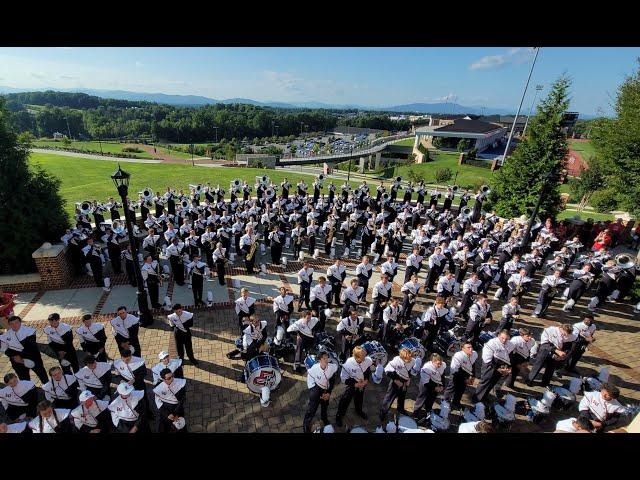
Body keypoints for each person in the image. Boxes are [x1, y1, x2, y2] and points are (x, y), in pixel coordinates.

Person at [335, 346, 382, 426]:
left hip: (362, 383)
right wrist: (355, 384)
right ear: (357, 357)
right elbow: (343, 379)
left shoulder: (366, 360)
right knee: (345, 400)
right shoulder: (348, 364)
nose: (366, 355)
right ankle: (339, 416)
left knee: (359, 398)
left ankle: (359, 411)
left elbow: (367, 369)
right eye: (363, 354)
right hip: (352, 384)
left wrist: (366, 380)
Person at [0, 316, 48, 383]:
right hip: (16, 361)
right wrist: (14, 356)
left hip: (33, 357)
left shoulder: (29, 331)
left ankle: (49, 389)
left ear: (20, 322)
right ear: (9, 325)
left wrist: (21, 358)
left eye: (16, 322)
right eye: (12, 323)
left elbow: (31, 348)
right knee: (24, 380)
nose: (14, 325)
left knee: (43, 376)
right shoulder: (6, 335)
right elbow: (4, 349)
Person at [472, 330, 513, 403]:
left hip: (500, 365)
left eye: (506, 339)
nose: (504, 340)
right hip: (490, 365)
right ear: (498, 336)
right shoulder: (492, 343)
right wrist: (498, 369)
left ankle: (483, 396)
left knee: (493, 382)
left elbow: (509, 356)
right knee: (485, 381)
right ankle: (476, 399)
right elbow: (487, 358)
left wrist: (508, 367)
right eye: (502, 338)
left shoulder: (510, 344)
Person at [303, 351, 338, 433]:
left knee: (325, 405)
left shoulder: (332, 367)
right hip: (316, 389)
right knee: (312, 408)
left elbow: (332, 380)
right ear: (319, 360)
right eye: (324, 358)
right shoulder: (314, 368)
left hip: (325, 389)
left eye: (327, 358)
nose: (326, 360)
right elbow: (310, 379)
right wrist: (314, 392)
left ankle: (324, 419)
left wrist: (329, 392)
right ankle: (306, 424)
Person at [379, 348, 415, 424]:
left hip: (404, 381)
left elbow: (409, 370)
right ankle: (383, 413)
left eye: (410, 358)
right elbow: (387, 371)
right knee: (389, 398)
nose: (409, 360)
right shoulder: (396, 361)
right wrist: (396, 380)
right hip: (396, 380)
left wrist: (409, 379)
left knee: (402, 396)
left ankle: (400, 409)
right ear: (402, 357)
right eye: (407, 359)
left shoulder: (412, 361)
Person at [443, 342, 478, 411]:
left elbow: (473, 364)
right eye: (468, 348)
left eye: (471, 347)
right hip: (456, 373)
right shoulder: (458, 356)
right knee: (451, 388)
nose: (471, 349)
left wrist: (473, 376)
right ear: (462, 349)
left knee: (461, 389)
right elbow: (455, 370)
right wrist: (465, 379)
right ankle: (445, 403)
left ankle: (456, 402)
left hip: (466, 372)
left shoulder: (474, 354)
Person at [413, 353, 446, 422]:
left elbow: (442, 376)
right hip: (426, 384)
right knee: (422, 398)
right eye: (438, 364)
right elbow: (426, 382)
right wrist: (435, 388)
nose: (440, 365)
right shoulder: (426, 368)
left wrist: (442, 386)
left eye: (440, 363)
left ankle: (428, 410)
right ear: (432, 361)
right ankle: (415, 413)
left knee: (432, 398)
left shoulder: (442, 365)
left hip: (436, 383)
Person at [153, 368, 187, 433]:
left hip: (178, 410)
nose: (172, 379)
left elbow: (182, 399)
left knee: (180, 427)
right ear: (163, 379)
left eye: (172, 376)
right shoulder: (158, 388)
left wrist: (176, 414)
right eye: (169, 378)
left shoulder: (180, 382)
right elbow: (158, 402)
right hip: (166, 411)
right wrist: (167, 414)